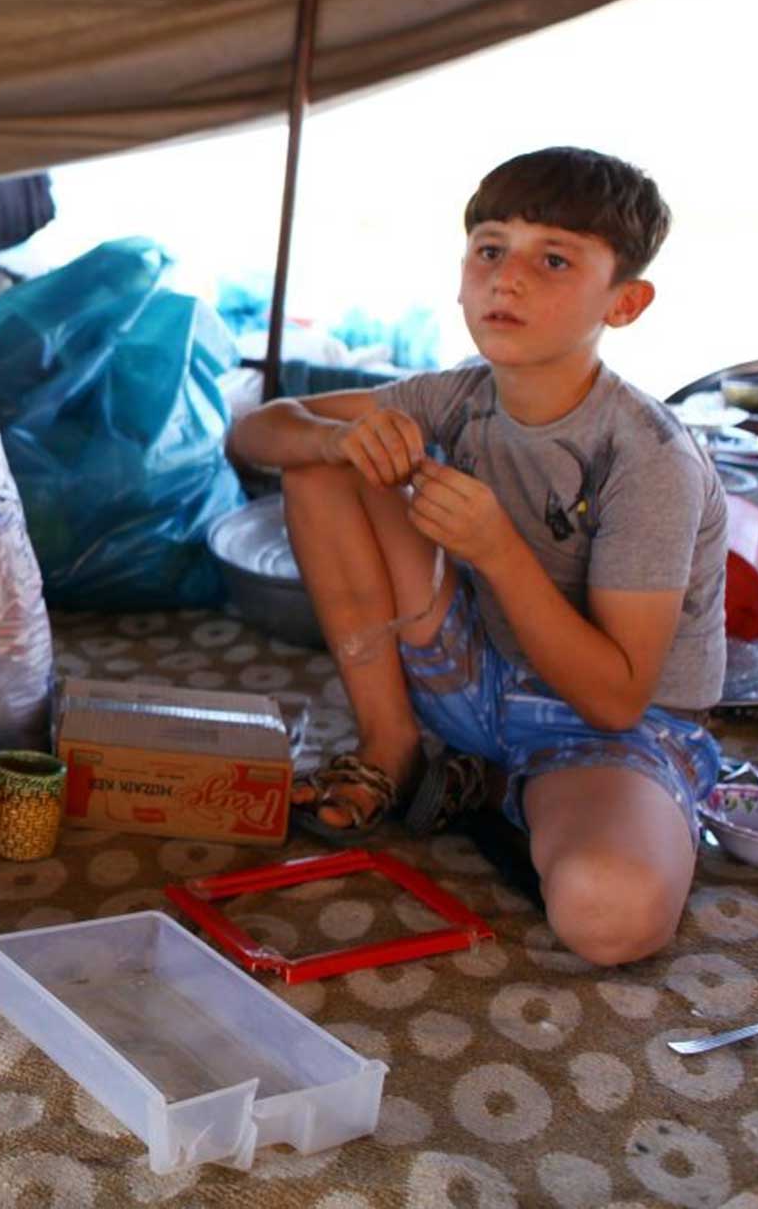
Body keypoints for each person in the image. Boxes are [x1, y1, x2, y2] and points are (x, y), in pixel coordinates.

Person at [228, 147, 726, 966]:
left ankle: (495, 784)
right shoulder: (457, 396)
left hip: (609, 731)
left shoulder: (647, 457)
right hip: (476, 678)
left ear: (626, 303)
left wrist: (499, 552)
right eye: (490, 250)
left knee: (609, 914)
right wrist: (341, 436)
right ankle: (395, 747)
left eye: (553, 259)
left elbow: (616, 698)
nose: (508, 279)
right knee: (325, 465)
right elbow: (256, 429)